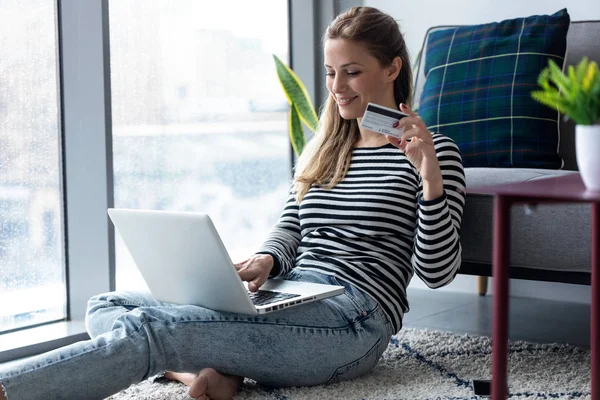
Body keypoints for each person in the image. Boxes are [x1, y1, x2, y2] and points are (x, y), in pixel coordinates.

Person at [0, 6, 465, 400]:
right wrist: (267, 258)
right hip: (290, 293)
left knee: (156, 330)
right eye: (330, 72)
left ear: (392, 69)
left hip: (353, 321)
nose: (337, 87)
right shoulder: (326, 147)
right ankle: (209, 373)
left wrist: (429, 179)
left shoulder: (434, 151)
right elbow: (291, 226)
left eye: (352, 71)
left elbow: (437, 273)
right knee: (108, 303)